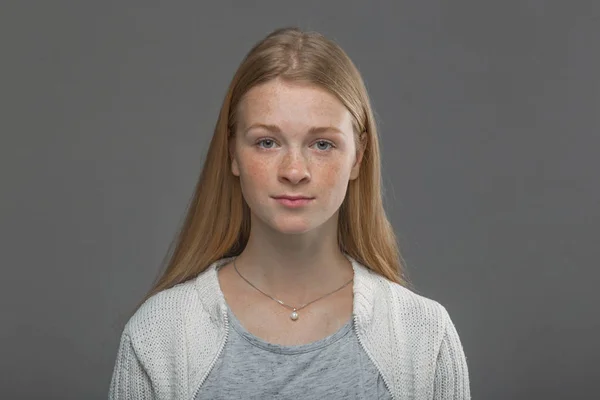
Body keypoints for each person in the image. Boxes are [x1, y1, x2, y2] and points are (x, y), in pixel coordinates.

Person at [109, 27, 470, 400]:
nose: (294, 171)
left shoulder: (425, 337)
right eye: (267, 142)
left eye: (322, 144)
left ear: (358, 157)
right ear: (232, 152)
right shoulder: (160, 335)